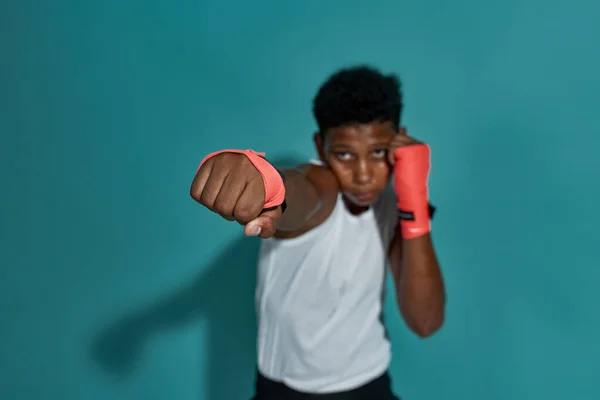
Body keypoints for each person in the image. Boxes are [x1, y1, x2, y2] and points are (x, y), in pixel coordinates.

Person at [190, 65, 446, 400]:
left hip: (370, 384)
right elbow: (300, 190)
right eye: (344, 155)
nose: (364, 175)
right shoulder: (322, 185)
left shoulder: (394, 203)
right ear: (321, 147)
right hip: (287, 392)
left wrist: (414, 201)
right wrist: (267, 183)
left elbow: (425, 321)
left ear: (400, 143)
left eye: (378, 153)